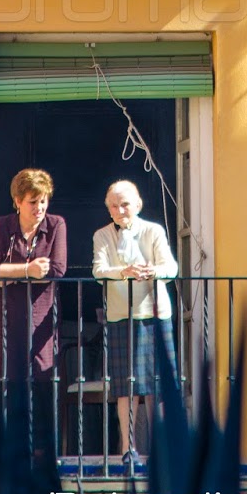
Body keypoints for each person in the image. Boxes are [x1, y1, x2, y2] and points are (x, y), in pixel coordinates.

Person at [0, 168, 68, 462]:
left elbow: (57, 269)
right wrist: (28, 270)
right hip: (5, 315)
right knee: (10, 380)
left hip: (41, 316)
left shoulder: (56, 225)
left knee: (44, 379)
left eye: (43, 201)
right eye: (33, 202)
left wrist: (10, 274)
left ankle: (44, 451)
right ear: (17, 201)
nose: (39, 208)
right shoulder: (2, 226)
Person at [91, 179, 178, 465]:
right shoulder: (102, 235)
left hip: (155, 315)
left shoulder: (153, 231)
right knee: (125, 387)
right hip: (120, 317)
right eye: (114, 206)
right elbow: (99, 270)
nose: (120, 210)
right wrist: (125, 272)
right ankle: (129, 450)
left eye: (125, 204)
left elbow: (171, 268)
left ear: (138, 204)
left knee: (157, 386)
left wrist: (152, 271)